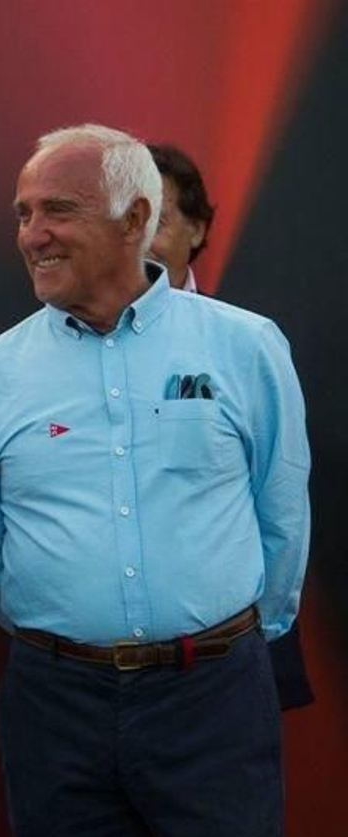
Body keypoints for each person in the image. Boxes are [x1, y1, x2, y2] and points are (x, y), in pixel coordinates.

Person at [0, 124, 308, 837]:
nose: (32, 233)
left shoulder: (245, 347)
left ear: (137, 217)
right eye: (23, 212)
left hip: (213, 694)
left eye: (58, 210)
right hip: (55, 699)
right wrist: (74, 631)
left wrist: (231, 638)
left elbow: (281, 519)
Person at [148, 141, 314, 710]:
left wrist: (248, 636)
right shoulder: (44, 355)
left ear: (195, 230)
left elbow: (282, 501)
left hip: (227, 655)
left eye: (157, 219)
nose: (138, 238)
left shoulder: (247, 343)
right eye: (124, 219)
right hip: (97, 671)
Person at [146, 143, 213, 293]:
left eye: (155, 225)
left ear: (196, 231)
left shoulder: (221, 317)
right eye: (128, 224)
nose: (138, 242)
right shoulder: (87, 314)